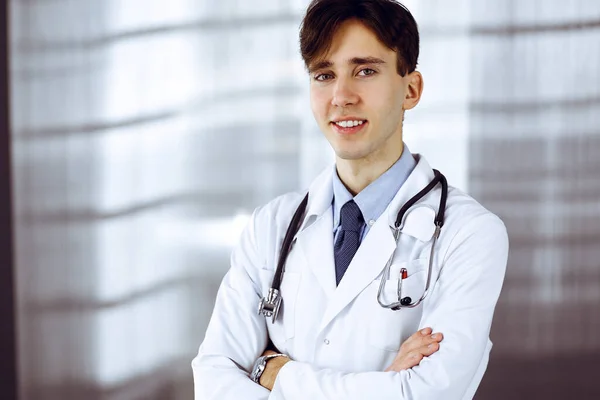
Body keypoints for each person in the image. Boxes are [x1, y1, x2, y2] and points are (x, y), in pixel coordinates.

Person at [192, 0, 509, 398]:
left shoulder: (469, 235)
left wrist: (274, 373)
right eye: (324, 75)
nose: (341, 95)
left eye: (365, 71)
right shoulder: (270, 227)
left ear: (411, 89)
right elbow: (213, 380)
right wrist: (385, 384)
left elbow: (426, 394)